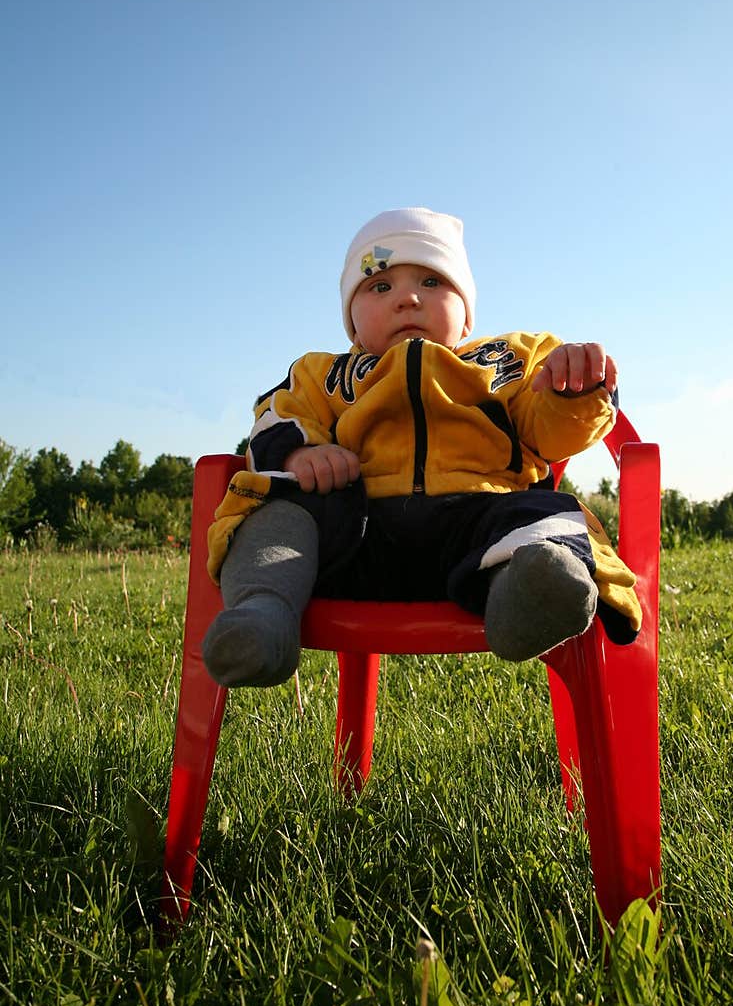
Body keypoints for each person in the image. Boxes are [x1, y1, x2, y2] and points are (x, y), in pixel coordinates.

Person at [202, 207, 641, 688]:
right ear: (351, 318)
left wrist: (572, 391)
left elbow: (550, 436)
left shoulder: (511, 360)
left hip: (478, 531)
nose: (408, 298)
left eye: (432, 282)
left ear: (467, 314)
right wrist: (300, 454)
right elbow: (274, 416)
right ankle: (263, 614)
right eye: (380, 286)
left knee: (546, 510)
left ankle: (531, 593)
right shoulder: (321, 374)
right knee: (275, 508)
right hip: (358, 538)